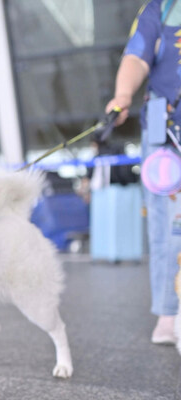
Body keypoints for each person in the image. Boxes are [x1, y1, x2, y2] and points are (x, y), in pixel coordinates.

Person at [106, 0, 181, 345]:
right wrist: (123, 95)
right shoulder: (160, 8)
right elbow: (137, 56)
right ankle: (169, 312)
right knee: (168, 223)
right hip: (162, 128)